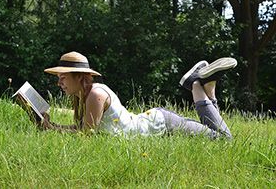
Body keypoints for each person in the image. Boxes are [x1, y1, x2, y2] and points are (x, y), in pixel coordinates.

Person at [40, 51, 237, 139]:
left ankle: (195, 84)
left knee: (223, 139)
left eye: (63, 78)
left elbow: (86, 134)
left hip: (163, 125)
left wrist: (52, 129)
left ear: (78, 77)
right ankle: (208, 88)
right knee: (214, 135)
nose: (59, 83)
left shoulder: (96, 95)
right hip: (156, 125)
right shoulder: (83, 96)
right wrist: (52, 126)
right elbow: (82, 128)